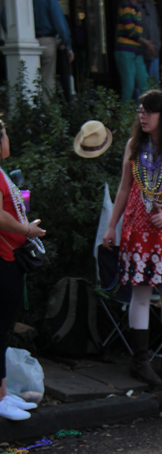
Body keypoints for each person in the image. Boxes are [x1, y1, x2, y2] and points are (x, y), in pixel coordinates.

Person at [102, 90, 162, 385]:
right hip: (138, 229)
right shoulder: (135, 145)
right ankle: (141, 361)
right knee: (140, 292)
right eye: (140, 111)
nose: (142, 116)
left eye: (149, 111)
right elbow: (123, 188)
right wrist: (111, 226)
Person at [0, 120, 46, 421]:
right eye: (3, 133)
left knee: (3, 330)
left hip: (9, 256)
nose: (7, 138)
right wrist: (26, 229)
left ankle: (3, 395)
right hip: (2, 256)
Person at [32, 0, 74, 101]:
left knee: (27, 80)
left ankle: (29, 111)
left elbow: (4, 16)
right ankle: (45, 113)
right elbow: (60, 23)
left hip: (26, 40)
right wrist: (67, 45)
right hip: (47, 41)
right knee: (47, 83)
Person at [115, 0, 155, 104]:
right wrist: (146, 43)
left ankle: (145, 113)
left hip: (137, 51)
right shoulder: (125, 7)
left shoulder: (138, 10)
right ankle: (124, 117)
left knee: (145, 85)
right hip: (125, 51)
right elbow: (131, 31)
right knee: (129, 85)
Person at [139, 0, 161, 84]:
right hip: (139, 52)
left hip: (154, 51)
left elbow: (157, 26)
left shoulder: (152, 6)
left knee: (153, 82)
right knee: (141, 84)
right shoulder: (133, 7)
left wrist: (158, 43)